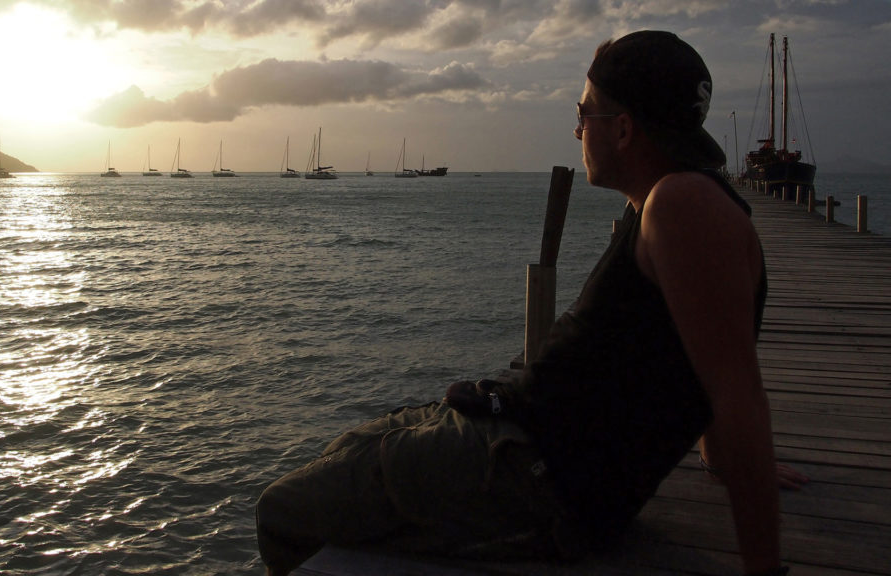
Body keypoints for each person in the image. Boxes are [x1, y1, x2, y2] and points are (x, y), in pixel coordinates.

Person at [256, 30, 808, 576]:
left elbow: (737, 393)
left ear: (621, 130)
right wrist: (715, 456)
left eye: (582, 113)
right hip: (516, 433)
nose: (574, 129)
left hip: (529, 475)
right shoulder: (674, 199)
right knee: (345, 451)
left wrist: (764, 568)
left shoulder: (681, 205)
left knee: (283, 510)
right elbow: (704, 354)